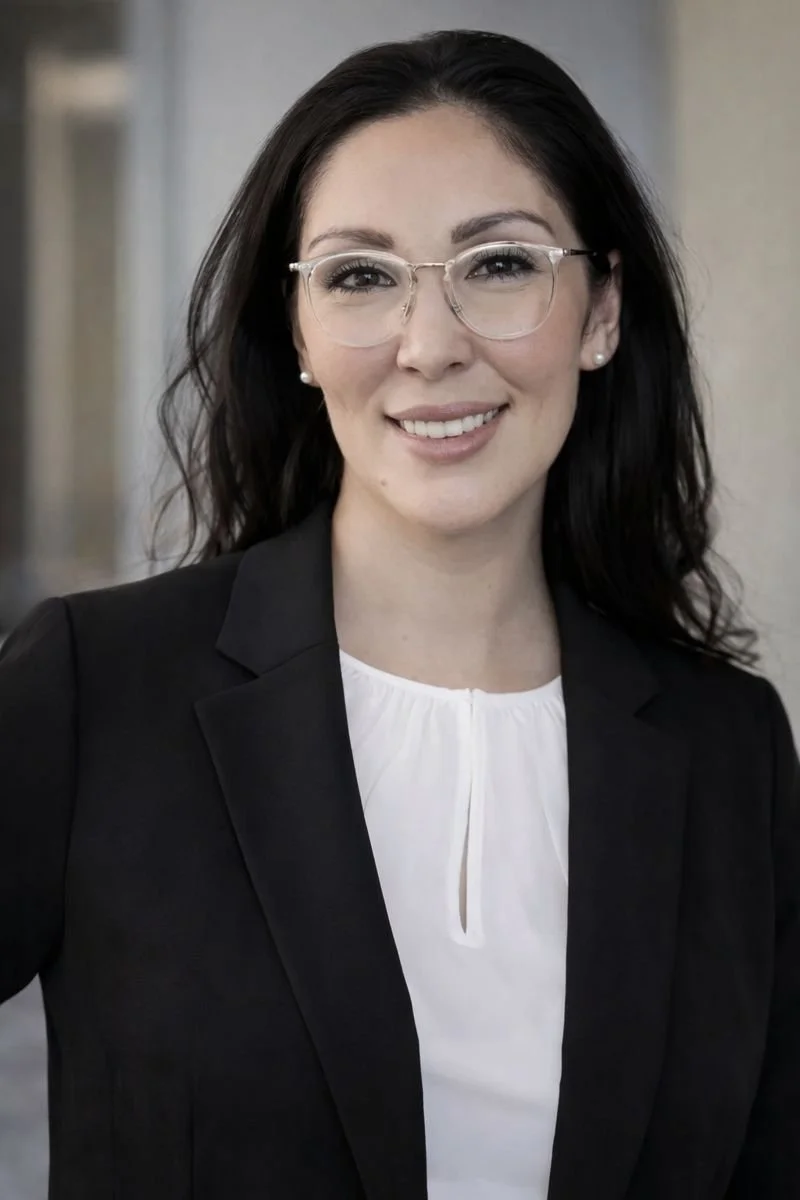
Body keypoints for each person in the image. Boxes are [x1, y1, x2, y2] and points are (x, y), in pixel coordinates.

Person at [0, 27, 797, 1200]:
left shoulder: (726, 745)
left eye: (500, 265)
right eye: (360, 277)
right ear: (301, 336)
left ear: (600, 313)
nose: (429, 347)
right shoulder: (100, 684)